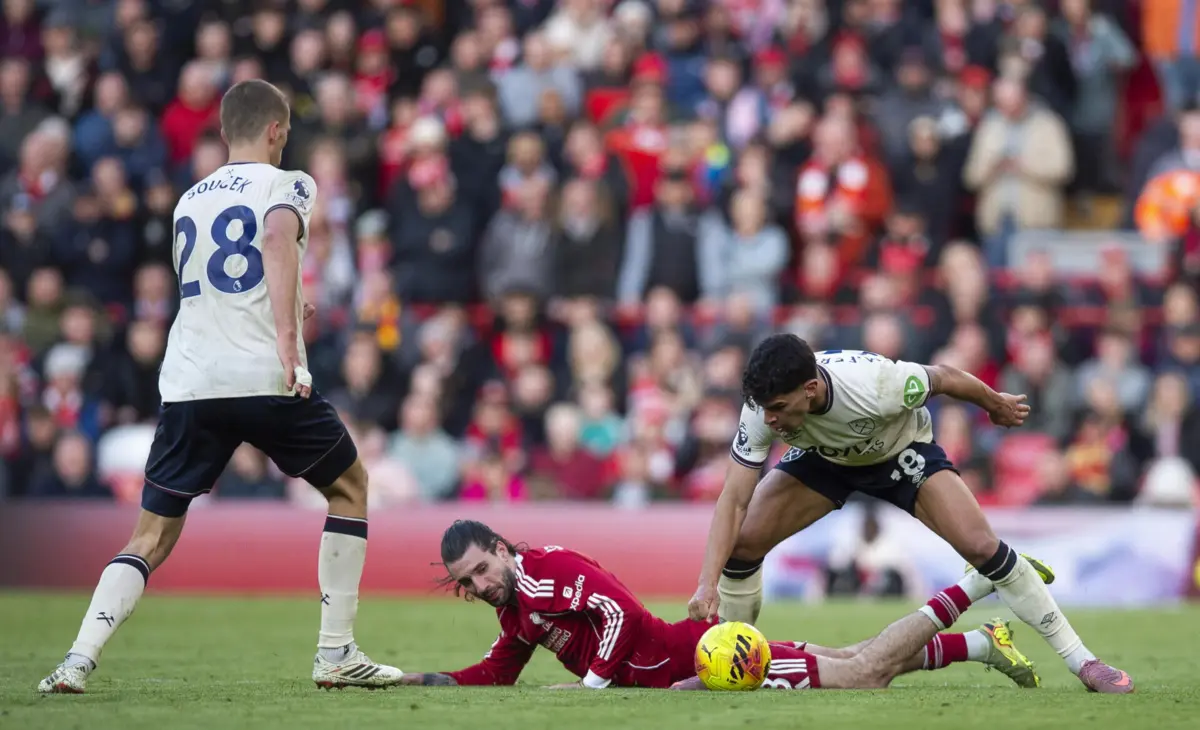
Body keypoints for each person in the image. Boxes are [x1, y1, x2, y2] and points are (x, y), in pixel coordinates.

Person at [38, 80, 403, 694]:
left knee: (150, 534)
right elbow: (276, 239)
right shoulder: (289, 184)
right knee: (349, 486)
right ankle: (335, 653)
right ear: (276, 131)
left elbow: (220, 289)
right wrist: (288, 339)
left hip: (190, 382)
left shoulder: (188, 200)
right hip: (263, 374)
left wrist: (290, 303)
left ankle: (76, 660)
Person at [687, 335, 1134, 694]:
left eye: (779, 409)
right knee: (742, 546)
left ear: (810, 389)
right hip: (824, 459)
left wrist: (994, 403)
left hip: (899, 453)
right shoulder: (761, 408)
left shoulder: (878, 384)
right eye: (764, 410)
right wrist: (707, 583)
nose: (770, 421)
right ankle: (732, 661)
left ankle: (1084, 662)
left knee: (982, 547)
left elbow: (944, 378)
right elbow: (734, 499)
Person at [391, 520, 1041, 690]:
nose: (479, 586)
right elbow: (499, 670)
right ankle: (983, 643)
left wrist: (593, 684)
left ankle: (975, 586)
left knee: (865, 670)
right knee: (849, 656)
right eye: (467, 582)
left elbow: (620, 613)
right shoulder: (515, 609)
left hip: (705, 664)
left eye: (481, 569)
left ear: (502, 550)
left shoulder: (545, 573)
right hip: (687, 675)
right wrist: (411, 679)